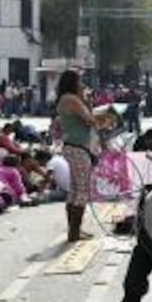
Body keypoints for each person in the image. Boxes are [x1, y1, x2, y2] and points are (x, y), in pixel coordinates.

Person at [56, 70, 96, 241]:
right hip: (78, 148)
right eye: (79, 81)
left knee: (74, 189)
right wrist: (85, 100)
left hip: (71, 146)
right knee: (81, 190)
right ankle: (75, 231)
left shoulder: (64, 99)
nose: (82, 84)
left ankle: (74, 229)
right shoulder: (72, 99)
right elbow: (90, 120)